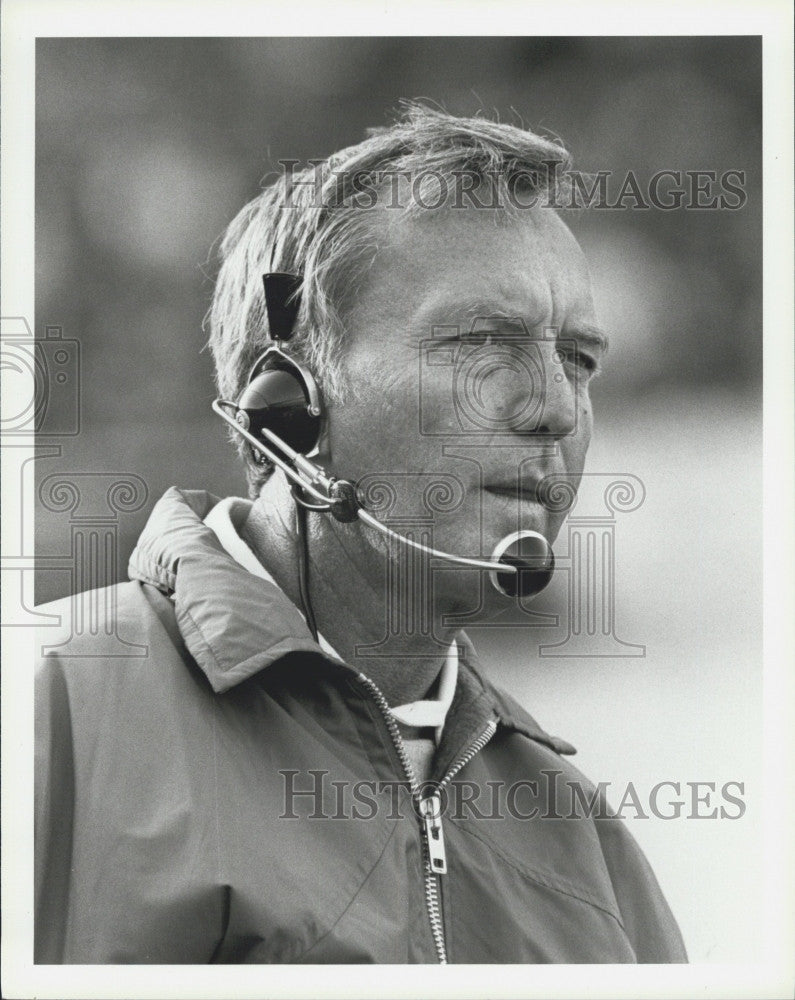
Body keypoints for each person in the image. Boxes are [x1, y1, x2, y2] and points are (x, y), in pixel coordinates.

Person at [35, 103, 686, 964]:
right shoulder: (53, 715)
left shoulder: (583, 844)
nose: (557, 410)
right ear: (289, 406)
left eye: (578, 360)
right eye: (482, 345)